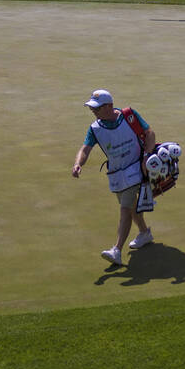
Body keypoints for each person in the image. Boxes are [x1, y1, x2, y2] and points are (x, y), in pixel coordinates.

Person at [71, 89, 157, 266]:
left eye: (97, 108)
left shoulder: (129, 115)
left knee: (125, 208)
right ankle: (144, 233)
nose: (93, 111)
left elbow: (150, 134)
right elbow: (85, 148)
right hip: (117, 174)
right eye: (92, 108)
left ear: (109, 106)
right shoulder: (95, 129)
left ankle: (116, 250)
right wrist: (78, 164)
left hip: (136, 168)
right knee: (131, 206)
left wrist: (147, 157)